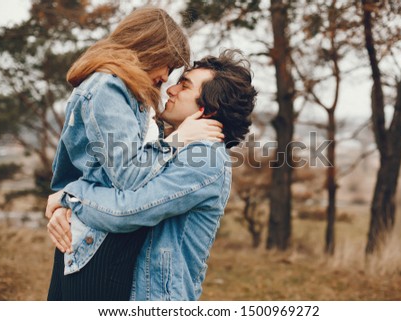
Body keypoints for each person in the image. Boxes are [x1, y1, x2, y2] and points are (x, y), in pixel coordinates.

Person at [46, 49, 257, 300]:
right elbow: (118, 182)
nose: (171, 89)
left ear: (208, 110)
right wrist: (65, 209)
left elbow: (129, 209)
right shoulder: (172, 146)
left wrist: (69, 198)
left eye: (184, 86)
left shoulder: (205, 160)